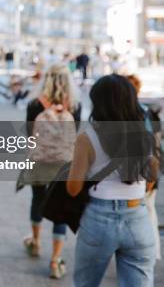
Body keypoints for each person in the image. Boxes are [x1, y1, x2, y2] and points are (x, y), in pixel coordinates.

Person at [67, 74, 159, 286]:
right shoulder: (144, 135)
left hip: (99, 218)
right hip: (138, 217)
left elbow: (73, 188)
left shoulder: (88, 137)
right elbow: (152, 179)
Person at [22, 63, 81, 279]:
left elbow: (30, 135)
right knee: (61, 209)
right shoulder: (75, 106)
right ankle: (55, 261)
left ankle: (36, 243)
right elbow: (77, 134)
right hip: (65, 164)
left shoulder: (34, 104)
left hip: (39, 161)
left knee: (37, 200)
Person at [126, 74, 162, 262]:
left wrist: (150, 179)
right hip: (147, 175)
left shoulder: (136, 114)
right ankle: (151, 253)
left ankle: (146, 253)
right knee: (148, 213)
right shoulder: (147, 112)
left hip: (142, 176)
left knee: (143, 213)